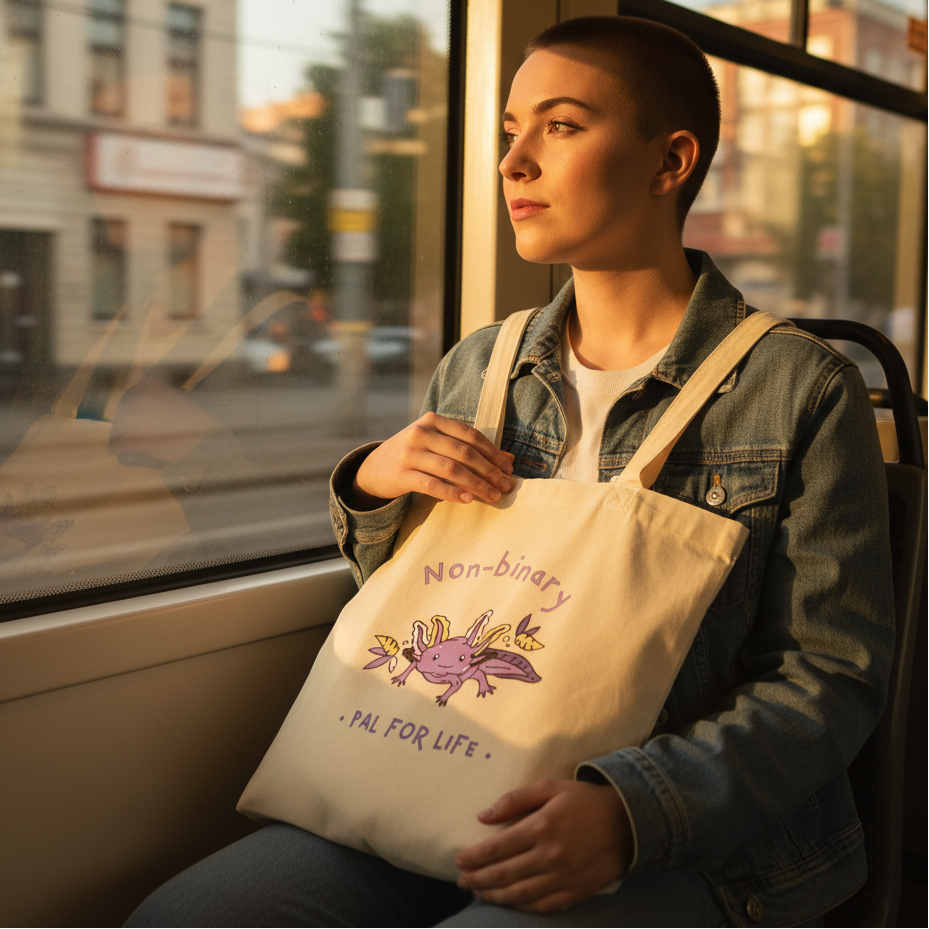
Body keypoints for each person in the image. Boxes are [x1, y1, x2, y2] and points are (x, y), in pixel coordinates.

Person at [125, 15, 894, 929]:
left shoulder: (800, 387)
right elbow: (430, 602)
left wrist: (632, 811)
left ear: (670, 160)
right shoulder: (480, 365)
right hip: (429, 776)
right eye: (507, 131)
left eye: (560, 126)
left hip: (694, 841)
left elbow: (827, 676)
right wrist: (374, 487)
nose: (512, 162)